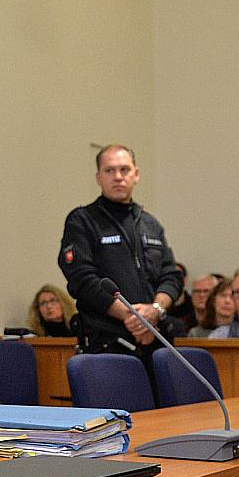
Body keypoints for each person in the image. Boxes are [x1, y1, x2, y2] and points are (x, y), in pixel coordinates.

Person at [59, 144, 185, 363]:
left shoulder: (150, 223)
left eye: (124, 170)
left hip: (156, 342)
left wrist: (155, 310)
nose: (118, 177)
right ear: (98, 177)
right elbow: (82, 279)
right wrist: (131, 317)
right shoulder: (82, 221)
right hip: (106, 346)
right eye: (109, 170)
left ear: (136, 174)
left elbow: (171, 276)